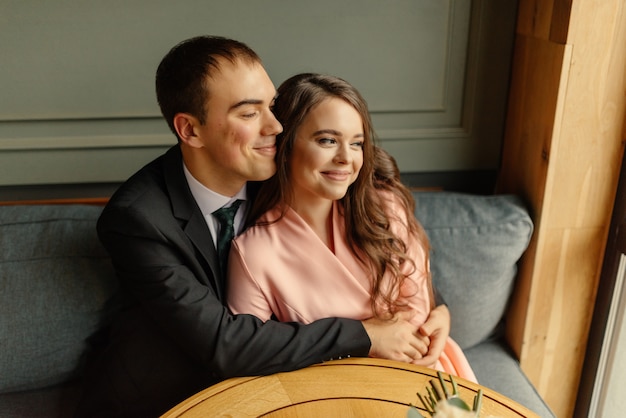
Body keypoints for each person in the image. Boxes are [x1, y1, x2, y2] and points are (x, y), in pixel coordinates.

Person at [75, 36, 450, 417]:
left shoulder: (278, 171)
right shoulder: (138, 219)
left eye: (271, 106)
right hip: (166, 398)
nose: (275, 126)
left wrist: (438, 308)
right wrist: (367, 334)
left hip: (284, 387)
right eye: (249, 113)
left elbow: (387, 240)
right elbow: (225, 343)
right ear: (190, 130)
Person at [227, 73, 476, 381]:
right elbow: (252, 358)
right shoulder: (254, 253)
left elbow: (418, 312)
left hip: (420, 375)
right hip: (327, 391)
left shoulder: (384, 207)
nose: (346, 158)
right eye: (327, 141)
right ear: (286, 145)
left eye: (356, 143)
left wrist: (433, 320)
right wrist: (368, 342)